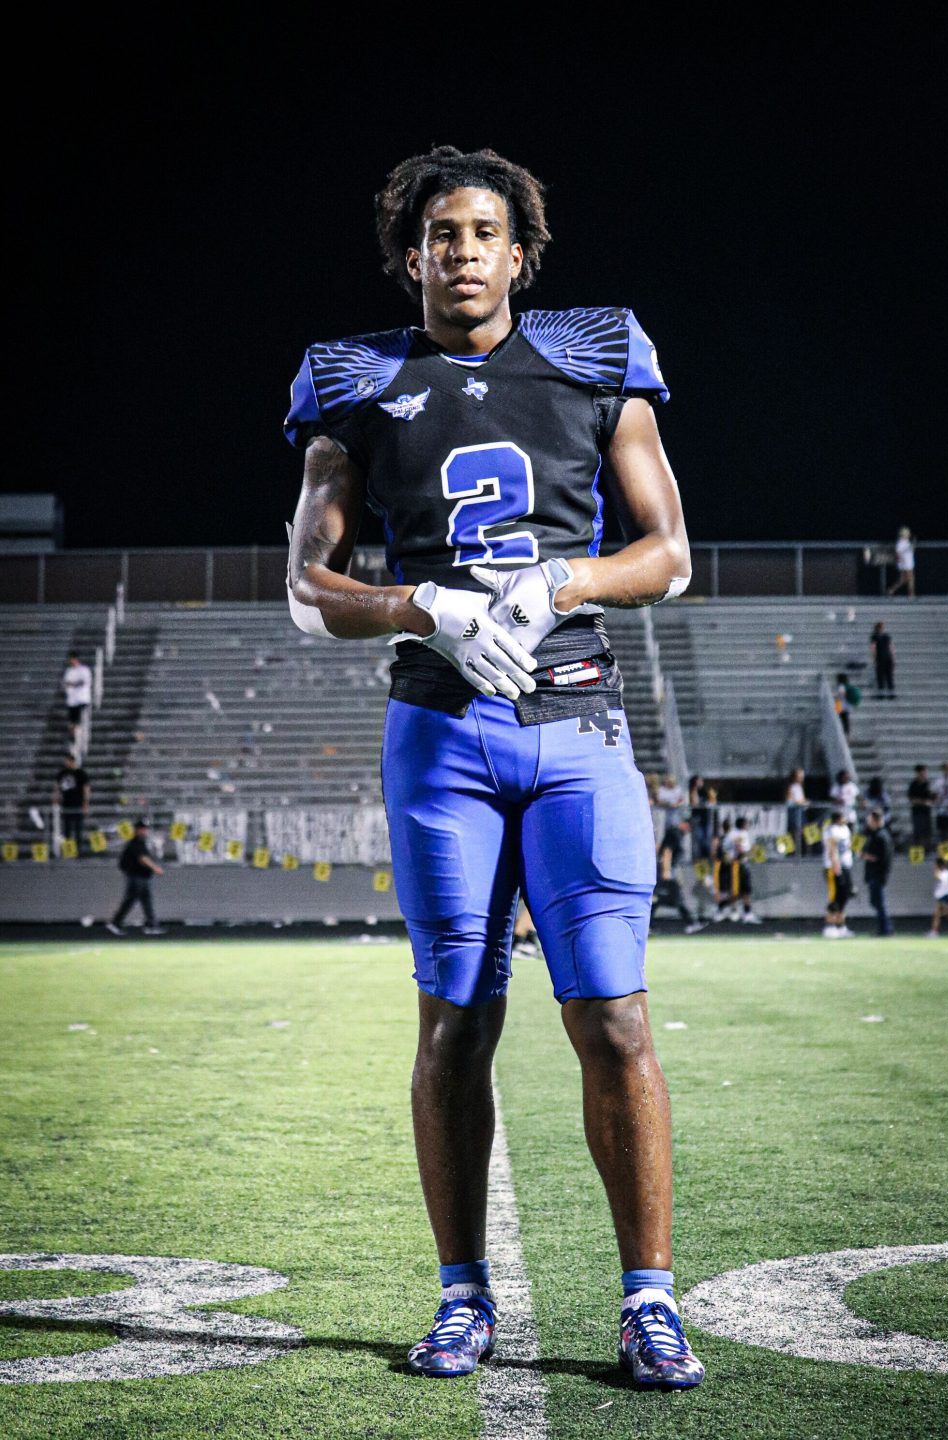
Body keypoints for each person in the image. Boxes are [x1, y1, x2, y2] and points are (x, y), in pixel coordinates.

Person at [283, 146, 703, 1389]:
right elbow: (309, 588)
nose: (463, 251)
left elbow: (667, 554)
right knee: (456, 1021)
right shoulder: (357, 378)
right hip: (440, 730)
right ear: (410, 255)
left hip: (577, 724)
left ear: (521, 254)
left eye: (484, 232)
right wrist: (427, 606)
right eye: (441, 234)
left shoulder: (594, 354)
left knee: (614, 1017)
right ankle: (462, 1294)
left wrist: (559, 580)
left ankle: (648, 1301)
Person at [106, 819, 165, 935]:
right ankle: (115, 923)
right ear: (137, 830)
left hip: (143, 876)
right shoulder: (135, 843)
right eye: (142, 829)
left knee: (146, 901)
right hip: (135, 877)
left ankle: (151, 925)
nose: (145, 831)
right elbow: (143, 858)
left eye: (145, 829)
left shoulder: (141, 842)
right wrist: (155, 868)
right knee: (130, 900)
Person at [651, 819, 705, 933]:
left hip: (667, 868)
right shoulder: (674, 833)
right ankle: (691, 922)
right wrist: (666, 870)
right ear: (684, 824)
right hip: (667, 869)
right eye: (689, 827)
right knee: (662, 896)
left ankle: (691, 922)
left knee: (663, 897)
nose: (688, 830)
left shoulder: (676, 833)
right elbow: (667, 851)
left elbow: (661, 848)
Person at [822, 807, 854, 938]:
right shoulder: (831, 830)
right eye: (843, 816)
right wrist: (837, 869)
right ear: (838, 818)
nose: (846, 818)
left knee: (844, 896)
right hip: (833, 867)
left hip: (845, 865)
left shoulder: (845, 829)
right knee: (834, 897)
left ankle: (840, 926)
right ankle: (829, 926)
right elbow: (832, 850)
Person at [862, 808, 894, 937]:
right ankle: (885, 927)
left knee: (879, 903)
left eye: (870, 820)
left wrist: (865, 856)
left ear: (875, 820)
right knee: (875, 902)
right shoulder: (876, 834)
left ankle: (886, 929)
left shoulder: (881, 836)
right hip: (875, 874)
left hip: (877, 874)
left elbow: (881, 857)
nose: (868, 822)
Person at [723, 815, 761, 924]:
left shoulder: (733, 833)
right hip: (738, 865)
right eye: (747, 823)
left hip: (735, 864)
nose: (748, 825)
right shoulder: (740, 834)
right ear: (743, 824)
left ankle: (741, 912)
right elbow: (739, 851)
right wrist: (752, 853)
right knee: (741, 890)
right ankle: (734, 911)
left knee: (741, 890)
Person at [52, 752, 90, 852]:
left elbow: (86, 789)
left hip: (78, 804)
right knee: (67, 829)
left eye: (67, 761)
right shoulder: (62, 773)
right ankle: (69, 851)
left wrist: (85, 803)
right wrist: (56, 798)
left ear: (72, 761)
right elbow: (56, 787)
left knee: (78, 829)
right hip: (66, 804)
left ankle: (78, 850)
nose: (65, 763)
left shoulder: (80, 773)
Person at [62, 652, 93, 753]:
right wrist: (74, 684)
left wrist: (73, 684)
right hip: (72, 700)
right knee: (72, 722)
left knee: (80, 720)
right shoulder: (69, 671)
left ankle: (80, 740)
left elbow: (83, 682)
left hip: (82, 699)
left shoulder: (84, 670)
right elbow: (66, 683)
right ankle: (73, 738)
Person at [927, 857, 948, 938]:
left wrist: (936, 870)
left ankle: (935, 932)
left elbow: (937, 877)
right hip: (941, 896)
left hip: (944, 896)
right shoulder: (942, 872)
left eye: (936, 864)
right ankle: (934, 931)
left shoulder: (946, 873)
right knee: (938, 914)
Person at [908, 763, 935, 851]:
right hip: (917, 813)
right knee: (917, 834)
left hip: (926, 813)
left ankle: (926, 850)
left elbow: (932, 799)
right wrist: (923, 802)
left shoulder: (928, 784)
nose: (924, 774)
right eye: (922, 772)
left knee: (926, 834)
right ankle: (918, 853)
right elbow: (912, 799)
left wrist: (922, 801)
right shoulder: (913, 784)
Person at [687, 775, 712, 861]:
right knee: (699, 839)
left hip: (705, 818)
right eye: (699, 781)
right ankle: (698, 859)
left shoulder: (704, 791)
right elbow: (695, 802)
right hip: (697, 819)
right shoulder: (692, 791)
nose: (702, 783)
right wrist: (695, 789)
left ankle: (706, 858)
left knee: (706, 840)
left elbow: (710, 802)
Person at [869, 621, 895, 699]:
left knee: (880, 677)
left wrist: (874, 659)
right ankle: (891, 695)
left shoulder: (874, 636)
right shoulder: (886, 636)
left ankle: (881, 695)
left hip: (880, 659)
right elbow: (892, 648)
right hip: (888, 658)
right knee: (889, 677)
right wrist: (893, 658)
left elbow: (873, 648)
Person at [888, 526, 916, 598]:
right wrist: (901, 560)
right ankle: (911, 594)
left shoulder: (907, 542)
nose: (909, 534)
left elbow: (911, 551)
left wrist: (913, 546)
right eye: (907, 533)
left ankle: (891, 590)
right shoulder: (900, 542)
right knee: (910, 578)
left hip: (909, 562)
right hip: (905, 563)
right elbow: (898, 552)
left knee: (904, 579)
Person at [785, 767, 807, 852]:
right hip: (794, 812)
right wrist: (801, 802)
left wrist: (805, 802)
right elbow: (790, 801)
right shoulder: (791, 787)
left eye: (802, 776)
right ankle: (794, 852)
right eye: (799, 776)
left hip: (801, 812)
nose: (801, 778)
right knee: (795, 832)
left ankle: (802, 851)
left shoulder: (799, 787)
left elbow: (801, 799)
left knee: (803, 831)